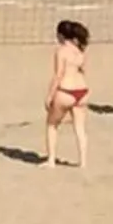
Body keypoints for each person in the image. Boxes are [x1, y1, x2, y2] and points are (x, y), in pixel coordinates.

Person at [44, 19, 91, 168]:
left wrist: (49, 96)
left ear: (62, 35)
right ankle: (83, 161)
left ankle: (51, 160)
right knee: (80, 128)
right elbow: (82, 70)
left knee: (51, 125)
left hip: (66, 91)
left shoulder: (61, 51)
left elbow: (58, 75)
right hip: (82, 91)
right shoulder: (80, 51)